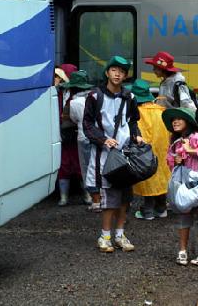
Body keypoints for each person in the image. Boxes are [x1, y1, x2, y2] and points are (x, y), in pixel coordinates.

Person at [83, 56, 143, 253]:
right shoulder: (94, 96)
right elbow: (88, 125)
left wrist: (137, 136)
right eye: (114, 70)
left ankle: (120, 234)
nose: (118, 74)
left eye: (122, 72)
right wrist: (103, 139)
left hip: (125, 154)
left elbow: (133, 121)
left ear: (125, 76)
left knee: (125, 197)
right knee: (108, 198)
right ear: (107, 72)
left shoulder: (130, 98)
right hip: (104, 154)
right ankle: (105, 236)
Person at [163, 107, 198, 266]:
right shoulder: (176, 141)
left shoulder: (196, 137)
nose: (175, 122)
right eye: (173, 120)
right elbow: (169, 159)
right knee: (184, 215)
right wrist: (176, 160)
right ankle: (182, 251)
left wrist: (190, 150)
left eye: (179, 119)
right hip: (185, 184)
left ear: (189, 122)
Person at [127, 79, 171, 220]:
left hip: (145, 152)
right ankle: (162, 208)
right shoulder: (161, 111)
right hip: (163, 151)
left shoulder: (136, 113)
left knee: (148, 179)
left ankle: (148, 211)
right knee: (161, 179)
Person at [67, 70, 97, 210]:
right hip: (97, 137)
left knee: (86, 167)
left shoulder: (74, 103)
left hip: (83, 137)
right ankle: (102, 197)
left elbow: (74, 119)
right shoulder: (96, 97)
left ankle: (92, 197)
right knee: (99, 165)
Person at [57, 63, 82, 206]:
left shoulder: (78, 94)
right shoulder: (57, 93)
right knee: (63, 165)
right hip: (61, 134)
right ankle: (64, 196)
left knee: (80, 164)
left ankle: (87, 195)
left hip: (76, 133)